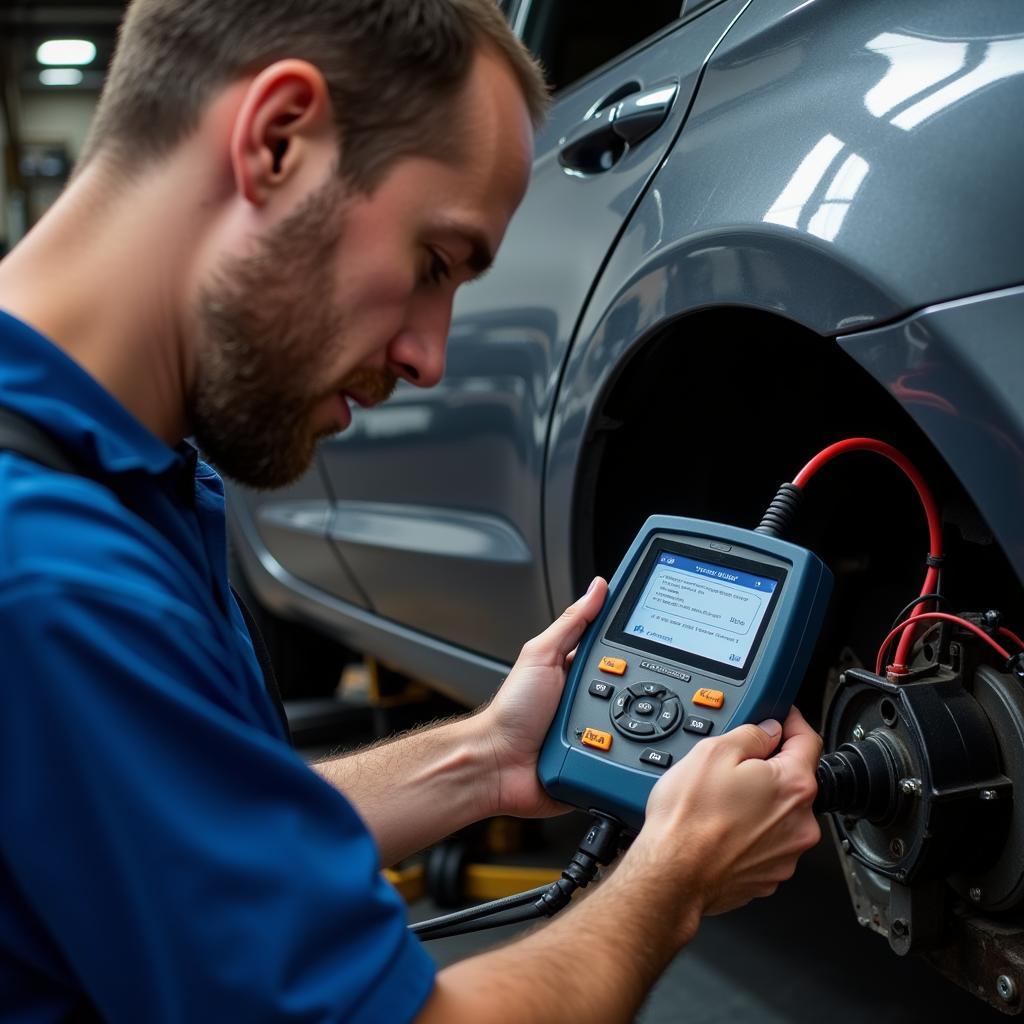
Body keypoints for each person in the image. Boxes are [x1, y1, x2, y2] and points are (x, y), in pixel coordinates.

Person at [0, 1, 822, 1020]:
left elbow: (195, 837)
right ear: (276, 141)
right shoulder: (49, 575)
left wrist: (485, 756)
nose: (428, 358)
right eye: (434, 264)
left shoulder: (101, 485)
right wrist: (673, 875)